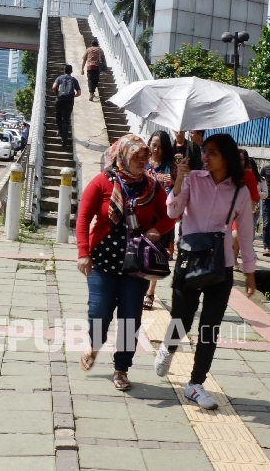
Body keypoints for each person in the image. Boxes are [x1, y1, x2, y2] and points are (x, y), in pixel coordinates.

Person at [155, 134, 257, 410]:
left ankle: (195, 385)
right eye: (204, 151)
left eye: (211, 152)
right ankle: (169, 346)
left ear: (226, 156)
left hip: (220, 265)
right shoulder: (192, 179)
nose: (205, 157)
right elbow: (173, 211)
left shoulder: (240, 191)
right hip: (189, 259)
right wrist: (179, 180)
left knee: (210, 326)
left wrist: (249, 271)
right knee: (182, 320)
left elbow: (246, 233)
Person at [76, 135, 174, 391]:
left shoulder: (153, 186)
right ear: (122, 157)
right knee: (99, 311)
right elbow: (83, 218)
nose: (143, 161)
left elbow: (169, 218)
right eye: (136, 157)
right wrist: (83, 252)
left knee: (130, 317)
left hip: (136, 265)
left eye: (145, 157)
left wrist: (155, 229)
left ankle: (121, 369)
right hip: (102, 262)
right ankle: (94, 344)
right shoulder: (102, 182)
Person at [143, 130, 176, 310]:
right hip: (144, 212)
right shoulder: (143, 162)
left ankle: (150, 290)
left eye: (160, 147)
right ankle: (139, 284)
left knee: (157, 252)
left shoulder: (171, 166)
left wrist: (174, 179)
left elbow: (181, 186)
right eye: (153, 145)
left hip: (163, 215)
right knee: (141, 249)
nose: (155, 149)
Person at [52, 64, 81, 148]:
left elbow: (54, 87)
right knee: (65, 120)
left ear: (64, 71)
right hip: (69, 102)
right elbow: (79, 93)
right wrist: (73, 96)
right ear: (71, 71)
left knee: (58, 115)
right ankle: (64, 140)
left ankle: (60, 131)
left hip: (59, 100)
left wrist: (57, 93)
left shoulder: (59, 78)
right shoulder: (74, 80)